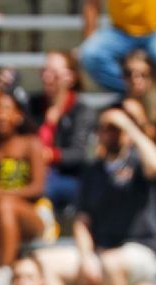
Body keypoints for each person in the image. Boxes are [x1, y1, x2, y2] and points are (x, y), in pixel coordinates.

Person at [34, 105, 156, 285]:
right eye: (105, 128)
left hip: (141, 249)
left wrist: (128, 125)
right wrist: (86, 257)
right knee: (43, 261)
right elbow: (82, 222)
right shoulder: (92, 172)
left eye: (116, 129)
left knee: (111, 263)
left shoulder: (138, 162)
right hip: (100, 252)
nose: (111, 133)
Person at [0, 92, 49, 265]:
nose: (0, 114)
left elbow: (37, 188)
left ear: (18, 115)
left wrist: (2, 193)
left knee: (5, 205)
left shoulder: (30, 143)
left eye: (6, 109)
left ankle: (4, 270)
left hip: (29, 213)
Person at [28, 51, 94, 213]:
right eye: (44, 71)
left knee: (42, 186)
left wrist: (51, 155)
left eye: (54, 73)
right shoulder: (32, 105)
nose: (47, 77)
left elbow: (78, 153)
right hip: (34, 171)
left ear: (70, 78)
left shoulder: (81, 111)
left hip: (67, 176)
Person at [78, 0, 156, 92]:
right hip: (120, 32)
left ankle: (146, 91)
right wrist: (89, 39)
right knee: (90, 54)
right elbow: (92, 3)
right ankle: (133, 91)